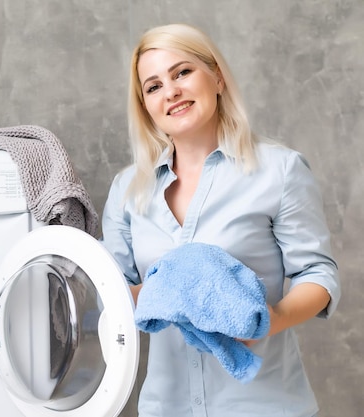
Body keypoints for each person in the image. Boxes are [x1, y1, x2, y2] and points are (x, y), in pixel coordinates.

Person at [101, 23, 340, 417]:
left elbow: (318, 275)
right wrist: (171, 289)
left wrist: (266, 323)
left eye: (182, 72)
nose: (172, 91)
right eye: (154, 86)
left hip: (265, 405)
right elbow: (114, 292)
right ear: (145, 105)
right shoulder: (127, 189)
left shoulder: (279, 171)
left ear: (217, 77)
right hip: (167, 405)